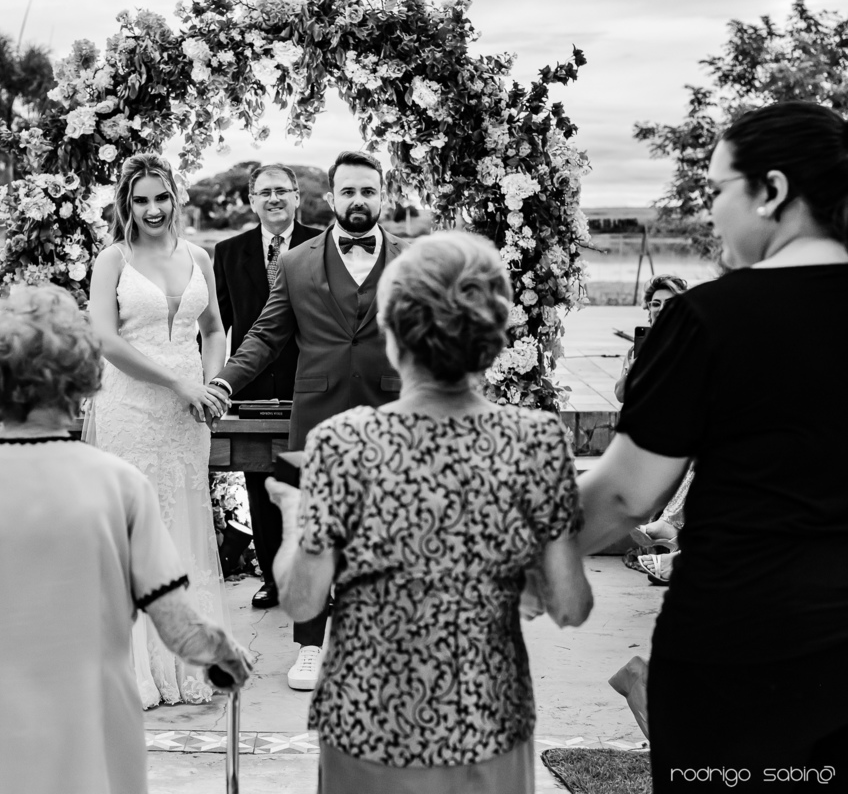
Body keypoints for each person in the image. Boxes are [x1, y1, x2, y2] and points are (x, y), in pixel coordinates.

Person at [0, 285, 250, 794]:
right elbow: (181, 632)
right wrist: (226, 652)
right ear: (84, 380)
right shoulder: (120, 485)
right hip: (90, 741)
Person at [578, 101, 848, 790]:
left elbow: (625, 496)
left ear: (772, 191)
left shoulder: (708, 320)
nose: (711, 212)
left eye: (718, 189)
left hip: (741, 650)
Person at [266, 231, 592, 793]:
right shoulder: (536, 441)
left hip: (367, 725)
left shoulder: (342, 443)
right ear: (493, 333)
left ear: (392, 330)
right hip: (487, 724)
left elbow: (301, 601)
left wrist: (296, 516)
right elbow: (569, 605)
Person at [209, 150, 409, 690]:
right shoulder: (297, 263)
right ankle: (309, 648)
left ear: (383, 196)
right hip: (317, 416)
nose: (359, 200)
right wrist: (224, 383)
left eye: (368, 191)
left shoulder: (414, 259)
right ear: (330, 197)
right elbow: (265, 335)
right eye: (349, 191)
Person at [87, 153, 231, 708]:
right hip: (130, 408)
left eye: (161, 197)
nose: (153, 209)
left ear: (176, 197)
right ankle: (137, 668)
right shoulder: (113, 259)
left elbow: (214, 329)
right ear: (127, 204)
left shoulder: (199, 256)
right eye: (141, 200)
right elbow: (106, 340)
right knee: (136, 527)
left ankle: (187, 655)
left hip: (188, 413)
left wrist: (212, 385)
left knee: (184, 521)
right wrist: (178, 384)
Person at [212, 163, 322, 610]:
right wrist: (212, 382)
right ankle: (274, 580)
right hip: (252, 384)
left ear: (296, 196)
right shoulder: (227, 251)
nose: (274, 199)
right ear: (252, 201)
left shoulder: (322, 245)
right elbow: (217, 324)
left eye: (282, 191)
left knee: (310, 483)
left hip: (308, 381)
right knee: (258, 483)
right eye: (264, 192)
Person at [613, 274, 687, 403]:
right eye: (656, 304)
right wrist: (631, 372)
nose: (661, 309)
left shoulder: (691, 345)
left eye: (669, 303)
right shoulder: (636, 351)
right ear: (649, 311)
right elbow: (621, 396)